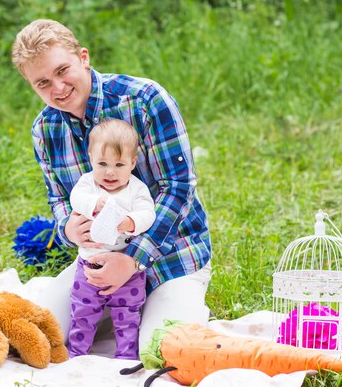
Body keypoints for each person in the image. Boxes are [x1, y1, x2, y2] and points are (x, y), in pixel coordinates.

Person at [11, 19, 212, 356]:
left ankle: (173, 304)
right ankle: (114, 311)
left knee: (163, 353)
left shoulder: (145, 99)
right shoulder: (44, 128)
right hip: (97, 263)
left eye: (63, 70)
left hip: (170, 255)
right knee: (35, 339)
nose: (58, 88)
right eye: (42, 82)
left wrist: (133, 260)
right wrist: (68, 228)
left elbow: (178, 187)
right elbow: (59, 196)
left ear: (84, 57)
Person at [68, 118, 155, 359]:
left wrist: (130, 222)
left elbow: (148, 213)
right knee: (82, 312)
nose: (109, 171)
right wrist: (94, 203)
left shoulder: (136, 190)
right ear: (91, 159)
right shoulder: (88, 184)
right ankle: (77, 352)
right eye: (102, 163)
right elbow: (76, 198)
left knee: (128, 315)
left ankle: (126, 354)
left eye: (119, 164)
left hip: (129, 270)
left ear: (133, 163)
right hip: (89, 266)